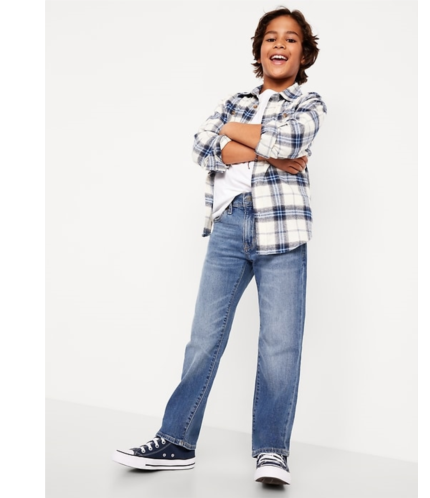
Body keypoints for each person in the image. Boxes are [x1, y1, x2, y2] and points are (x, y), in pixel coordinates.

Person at [112, 7, 327, 486]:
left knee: (279, 345)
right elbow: (201, 146)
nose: (280, 44)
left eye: (291, 39)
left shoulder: (309, 103)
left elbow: (291, 140)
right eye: (271, 37)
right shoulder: (235, 101)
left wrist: (236, 135)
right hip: (230, 225)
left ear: (303, 53)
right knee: (204, 338)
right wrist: (265, 148)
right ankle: (176, 440)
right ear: (259, 49)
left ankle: (272, 451)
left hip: (282, 230)